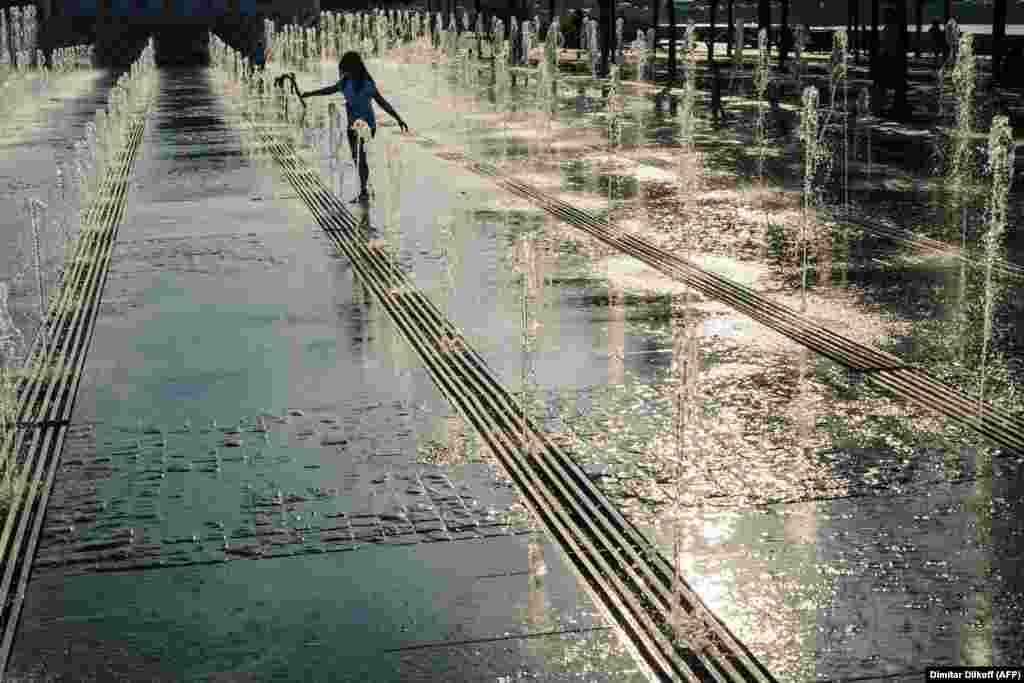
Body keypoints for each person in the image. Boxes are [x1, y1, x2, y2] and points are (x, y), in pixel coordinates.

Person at [299, 51, 410, 204]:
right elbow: (329, 90)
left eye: (344, 69)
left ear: (351, 68)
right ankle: (365, 189)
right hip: (353, 126)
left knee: (361, 158)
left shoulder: (366, 82)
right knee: (358, 159)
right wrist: (310, 93)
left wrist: (398, 118)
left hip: (366, 126)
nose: (342, 72)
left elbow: (381, 102)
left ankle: (364, 191)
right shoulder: (345, 82)